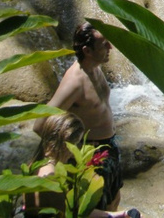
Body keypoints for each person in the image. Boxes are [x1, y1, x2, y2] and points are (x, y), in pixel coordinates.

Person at [35, 22, 123, 212]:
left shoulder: (96, 68)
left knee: (114, 198)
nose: (110, 48)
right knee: (95, 208)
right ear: (87, 51)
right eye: (104, 45)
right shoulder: (74, 82)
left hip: (109, 146)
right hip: (90, 155)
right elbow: (40, 124)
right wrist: (67, 152)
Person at [23, 113, 140, 218]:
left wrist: (115, 215)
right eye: (79, 142)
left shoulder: (34, 164)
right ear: (67, 145)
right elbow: (72, 214)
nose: (82, 146)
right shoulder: (52, 179)